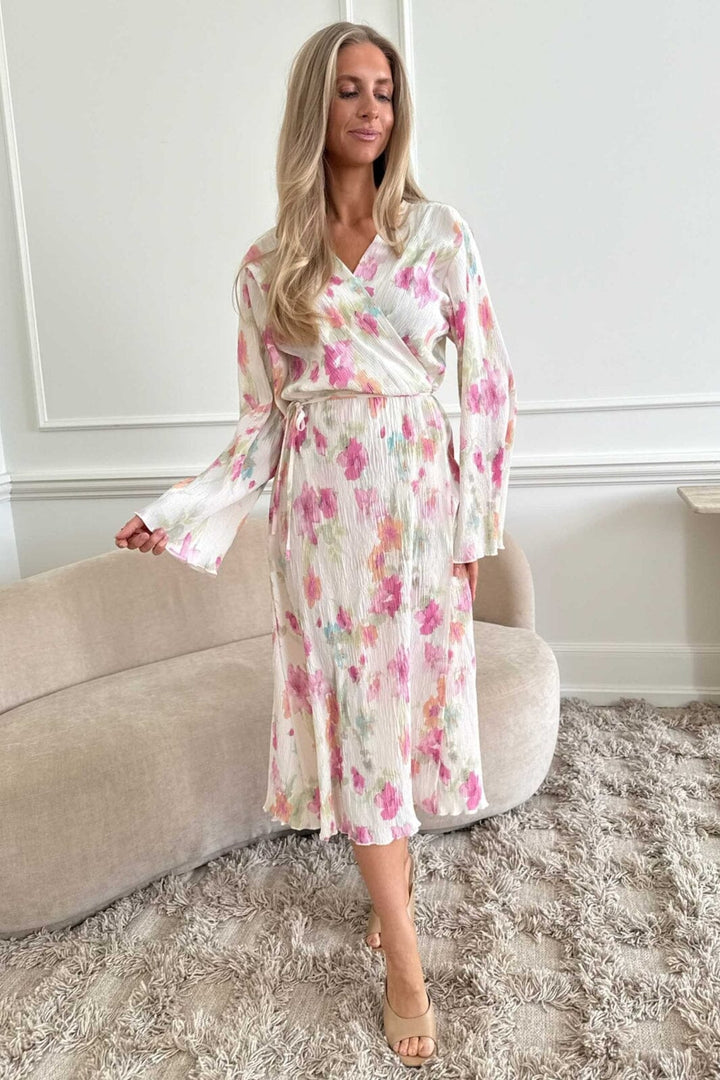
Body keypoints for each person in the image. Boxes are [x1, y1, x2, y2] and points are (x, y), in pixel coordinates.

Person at [114, 20, 517, 1068]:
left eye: (384, 89)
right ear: (315, 107)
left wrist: (474, 526)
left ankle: (391, 901)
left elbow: (487, 390)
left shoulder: (437, 236)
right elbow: (262, 426)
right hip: (324, 528)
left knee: (406, 717)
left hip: (420, 515)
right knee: (361, 724)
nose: (371, 107)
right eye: (349, 89)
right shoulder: (269, 264)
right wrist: (181, 511)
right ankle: (406, 963)